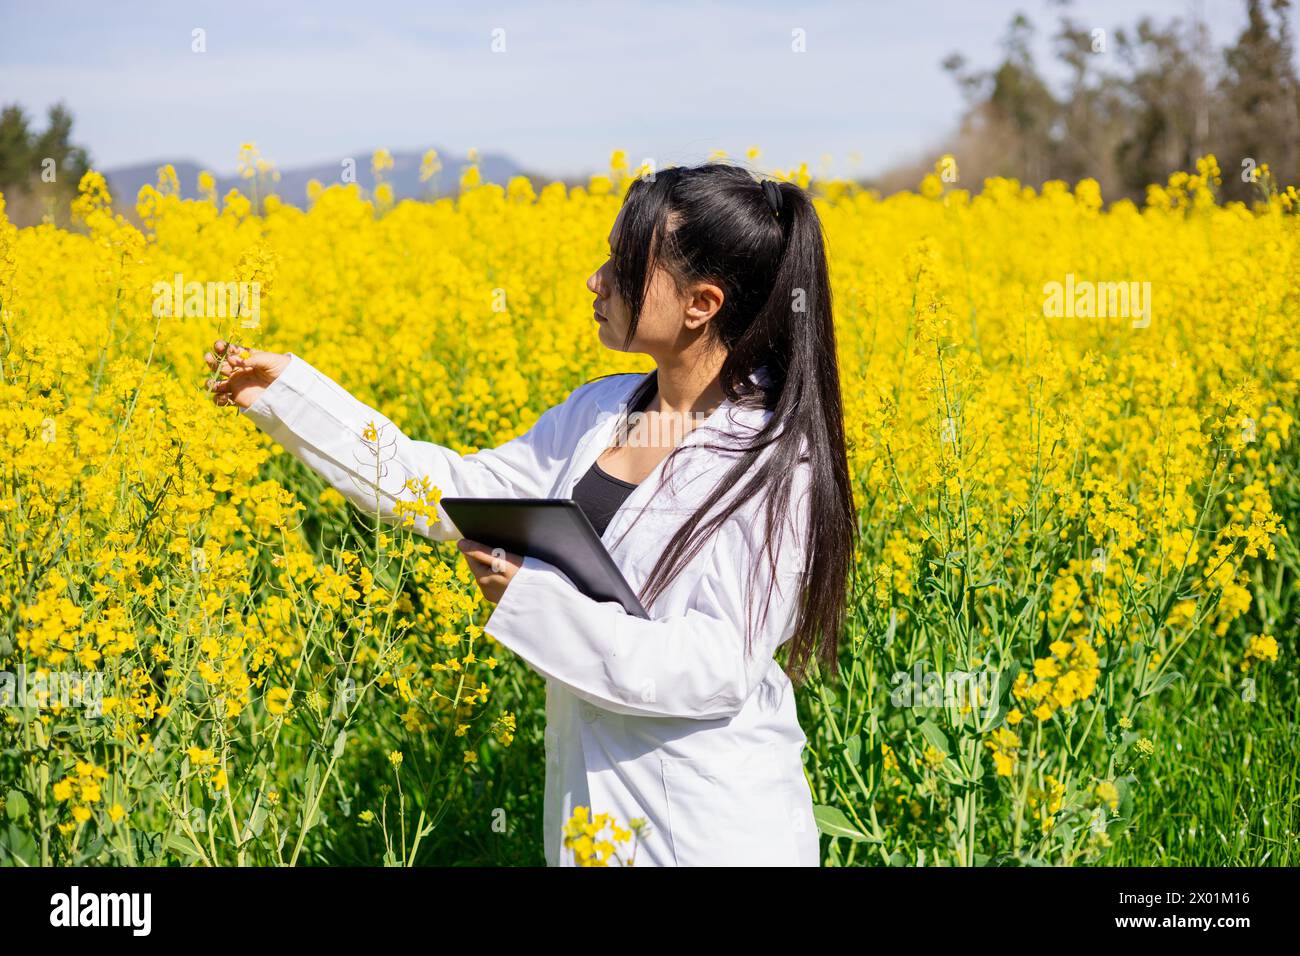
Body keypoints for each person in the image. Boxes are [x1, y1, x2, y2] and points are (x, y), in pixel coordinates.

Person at [205, 162, 856, 866]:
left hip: (712, 829)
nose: (595, 279)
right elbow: (451, 490)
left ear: (700, 304)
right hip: (596, 817)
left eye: (621, 262)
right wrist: (290, 395)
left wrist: (534, 603)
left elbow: (715, 667)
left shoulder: (771, 462)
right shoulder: (600, 412)